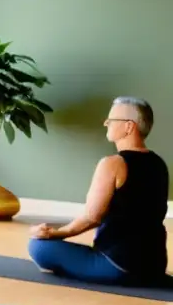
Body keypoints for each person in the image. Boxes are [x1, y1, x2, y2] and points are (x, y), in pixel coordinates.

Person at [28, 96, 169, 284]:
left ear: (129, 127)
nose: (105, 123)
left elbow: (93, 216)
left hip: (118, 266)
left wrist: (53, 234)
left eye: (111, 120)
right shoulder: (159, 163)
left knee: (38, 247)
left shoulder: (112, 164)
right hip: (154, 266)